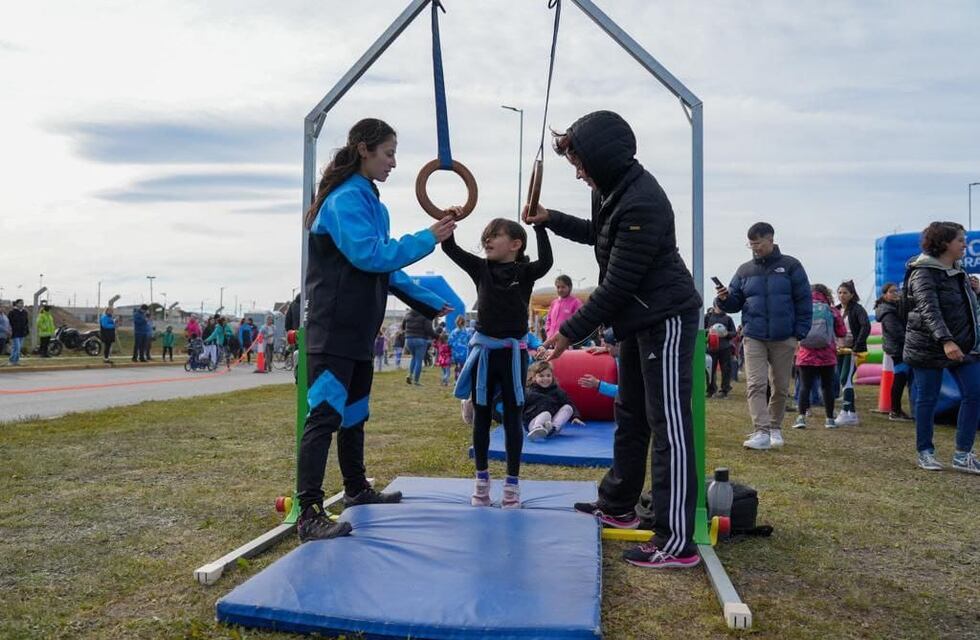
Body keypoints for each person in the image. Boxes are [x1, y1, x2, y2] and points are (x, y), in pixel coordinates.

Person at [526, 110, 703, 569]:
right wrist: (551, 218)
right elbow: (597, 235)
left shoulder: (643, 201)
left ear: (603, 156)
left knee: (669, 426)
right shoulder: (611, 191)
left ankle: (676, 541)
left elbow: (618, 285)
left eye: (581, 163)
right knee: (630, 414)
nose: (579, 172)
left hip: (665, 317)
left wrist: (567, 334)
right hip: (636, 321)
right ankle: (618, 505)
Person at [298, 117, 456, 542]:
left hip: (358, 332)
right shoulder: (344, 200)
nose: (393, 163)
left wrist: (425, 300)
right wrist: (428, 237)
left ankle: (355, 488)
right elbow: (369, 255)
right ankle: (308, 511)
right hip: (331, 331)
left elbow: (385, 267)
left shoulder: (372, 203)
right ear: (364, 150)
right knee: (325, 416)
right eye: (388, 153)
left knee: (355, 415)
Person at [445, 216, 552, 507]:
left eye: (495, 236)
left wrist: (540, 226)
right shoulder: (482, 268)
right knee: (481, 416)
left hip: (513, 354)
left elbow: (547, 262)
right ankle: (481, 481)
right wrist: (448, 222)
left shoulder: (525, 272)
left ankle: (512, 485)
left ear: (516, 244)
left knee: (513, 417)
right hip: (485, 353)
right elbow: (451, 250)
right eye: (486, 236)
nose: (487, 241)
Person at [715, 222, 812, 451]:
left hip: (784, 336)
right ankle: (761, 431)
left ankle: (775, 426)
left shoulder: (791, 266)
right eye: (750, 244)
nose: (754, 248)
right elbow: (734, 303)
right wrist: (723, 298)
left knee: (779, 386)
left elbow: (804, 300)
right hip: (754, 335)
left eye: (758, 243)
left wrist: (800, 333)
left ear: (770, 239)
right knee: (756, 384)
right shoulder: (744, 270)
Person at [902, 221, 980, 473]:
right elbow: (929, 311)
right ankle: (925, 451)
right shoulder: (922, 272)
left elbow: (964, 310)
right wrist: (946, 340)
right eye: (960, 240)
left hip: (962, 345)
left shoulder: (957, 271)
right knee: (927, 398)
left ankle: (962, 453)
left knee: (975, 392)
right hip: (929, 346)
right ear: (945, 243)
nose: (964, 244)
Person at [792, 285, 846, 429]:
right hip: (827, 355)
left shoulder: (802, 310)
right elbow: (841, 332)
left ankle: (801, 418)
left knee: (805, 387)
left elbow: (794, 329)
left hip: (805, 355)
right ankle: (829, 420)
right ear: (826, 294)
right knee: (827, 387)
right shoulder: (832, 310)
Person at [834, 280, 871, 426]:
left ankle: (845, 411)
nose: (842, 295)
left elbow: (865, 326)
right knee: (843, 379)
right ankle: (852, 413)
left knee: (846, 378)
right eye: (840, 292)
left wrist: (857, 345)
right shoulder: (836, 309)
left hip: (852, 350)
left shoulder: (857, 309)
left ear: (852, 294)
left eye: (845, 293)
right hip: (838, 350)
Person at [875, 282, 912, 421]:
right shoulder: (887, 311)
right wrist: (910, 341)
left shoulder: (892, 308)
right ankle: (895, 410)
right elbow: (896, 332)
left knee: (900, 378)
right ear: (885, 295)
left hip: (897, 347)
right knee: (899, 378)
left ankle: (896, 409)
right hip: (898, 348)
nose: (896, 293)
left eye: (897, 291)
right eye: (892, 291)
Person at [523, 360, 583, 440]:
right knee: (546, 414)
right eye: (541, 376)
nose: (545, 379)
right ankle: (537, 428)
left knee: (568, 408)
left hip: (550, 422)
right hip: (532, 422)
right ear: (534, 378)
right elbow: (520, 406)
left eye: (548, 376)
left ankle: (553, 429)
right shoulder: (529, 391)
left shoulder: (557, 391)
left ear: (552, 376)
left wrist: (575, 417)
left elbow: (568, 402)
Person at [704, 303, 736, 399]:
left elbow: (734, 332)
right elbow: (701, 329)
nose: (722, 307)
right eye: (719, 305)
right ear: (715, 306)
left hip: (725, 348)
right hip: (711, 347)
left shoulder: (728, 318)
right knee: (710, 370)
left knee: (726, 370)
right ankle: (711, 390)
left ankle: (724, 390)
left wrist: (726, 333)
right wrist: (709, 331)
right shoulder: (708, 317)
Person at [402, 307, 436, 385]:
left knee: (413, 357)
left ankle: (409, 375)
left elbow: (403, 326)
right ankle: (416, 381)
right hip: (420, 339)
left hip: (408, 339)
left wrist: (408, 332)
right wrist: (437, 336)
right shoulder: (425, 315)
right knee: (419, 360)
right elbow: (429, 330)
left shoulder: (407, 315)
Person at [545, 275, 583, 339]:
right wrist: (548, 332)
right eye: (558, 287)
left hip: (567, 342)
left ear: (570, 287)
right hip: (551, 340)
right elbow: (548, 320)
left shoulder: (576, 303)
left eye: (563, 287)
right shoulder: (554, 303)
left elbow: (579, 323)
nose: (560, 290)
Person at [447, 315, 471, 381]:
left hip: (456, 353)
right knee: (464, 367)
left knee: (457, 366)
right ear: (464, 322)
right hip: (465, 352)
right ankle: (462, 380)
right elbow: (470, 342)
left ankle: (456, 380)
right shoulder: (467, 332)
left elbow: (449, 343)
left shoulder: (453, 332)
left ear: (456, 322)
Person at [7, 299, 28, 365]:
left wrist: (26, 331)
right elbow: (9, 322)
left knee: (17, 348)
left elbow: (26, 322)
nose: (22, 305)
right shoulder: (12, 312)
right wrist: (10, 330)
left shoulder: (24, 312)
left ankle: (16, 361)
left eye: (22, 303)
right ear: (16, 304)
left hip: (22, 332)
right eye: (20, 303)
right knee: (17, 347)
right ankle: (12, 360)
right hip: (15, 332)